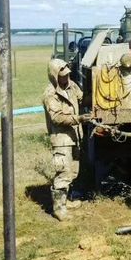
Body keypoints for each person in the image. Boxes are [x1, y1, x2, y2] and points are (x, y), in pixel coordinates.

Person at [43, 59, 91, 221]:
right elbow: (56, 118)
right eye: (63, 76)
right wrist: (79, 119)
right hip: (61, 139)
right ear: (55, 76)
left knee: (73, 171)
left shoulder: (72, 86)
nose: (67, 77)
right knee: (63, 172)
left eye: (68, 74)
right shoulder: (50, 94)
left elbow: (82, 98)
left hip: (75, 136)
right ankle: (58, 208)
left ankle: (66, 200)